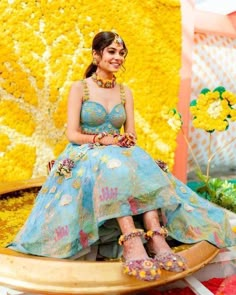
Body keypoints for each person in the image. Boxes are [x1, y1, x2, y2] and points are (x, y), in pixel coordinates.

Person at [7, 31, 236, 281]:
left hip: (118, 149)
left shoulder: (125, 91)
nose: (118, 57)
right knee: (112, 164)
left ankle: (156, 236)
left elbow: (131, 132)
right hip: (86, 152)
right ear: (96, 55)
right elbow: (73, 134)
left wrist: (127, 139)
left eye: (121, 53)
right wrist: (102, 140)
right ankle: (132, 241)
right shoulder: (80, 88)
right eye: (112, 52)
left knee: (141, 161)